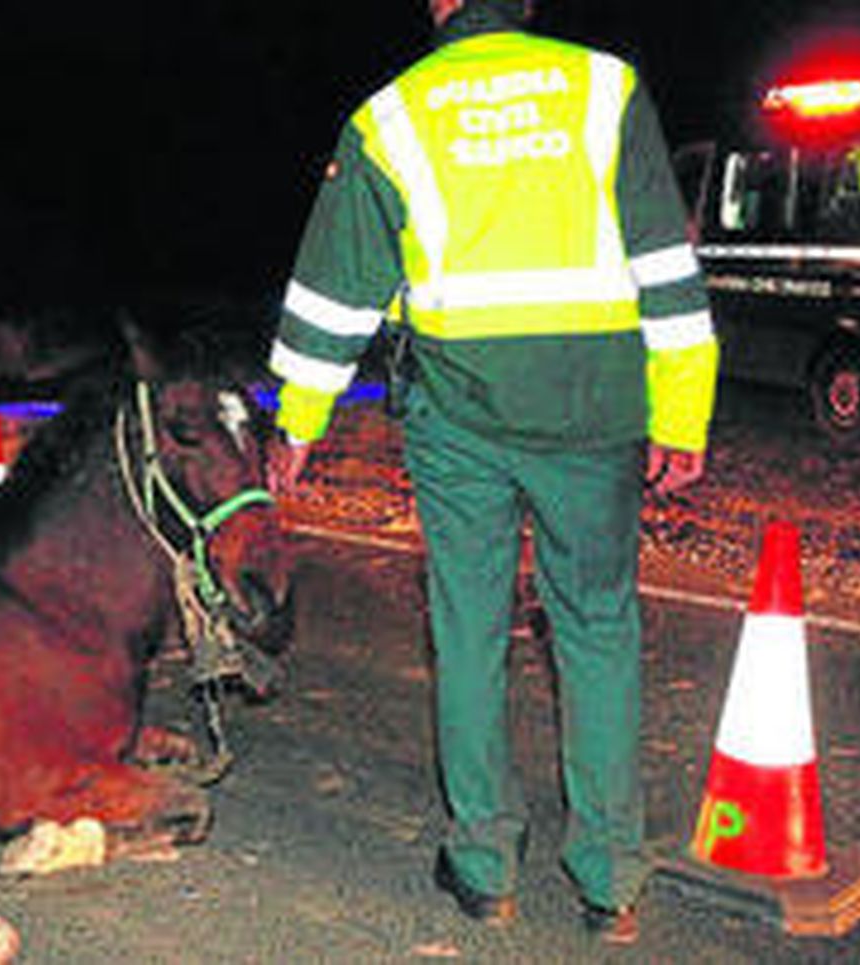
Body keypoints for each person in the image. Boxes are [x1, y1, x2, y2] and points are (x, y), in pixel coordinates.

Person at [265, 0, 718, 945]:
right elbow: (664, 261)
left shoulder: (393, 115)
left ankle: (484, 868)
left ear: (439, 4)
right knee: (596, 627)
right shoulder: (605, 87)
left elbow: (335, 290)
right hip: (592, 410)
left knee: (468, 627)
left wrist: (297, 422)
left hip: (460, 415)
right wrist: (682, 410)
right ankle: (611, 880)